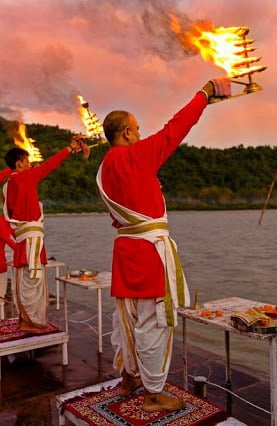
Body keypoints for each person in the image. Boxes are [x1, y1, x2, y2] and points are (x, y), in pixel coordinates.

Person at [96, 78, 231, 412]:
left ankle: (129, 377)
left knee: (125, 319)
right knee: (154, 322)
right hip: (148, 254)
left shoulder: (103, 169)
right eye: (137, 129)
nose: (141, 134)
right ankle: (153, 393)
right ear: (126, 133)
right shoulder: (136, 156)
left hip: (124, 251)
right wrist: (204, 93)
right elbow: (177, 127)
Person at [3, 139, 89, 331]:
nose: (30, 164)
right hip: (31, 239)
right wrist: (68, 148)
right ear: (18, 164)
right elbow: (49, 165)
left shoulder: (10, 184)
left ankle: (25, 319)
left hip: (24, 238)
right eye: (27, 161)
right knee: (33, 281)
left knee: (25, 280)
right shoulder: (22, 178)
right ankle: (31, 322)